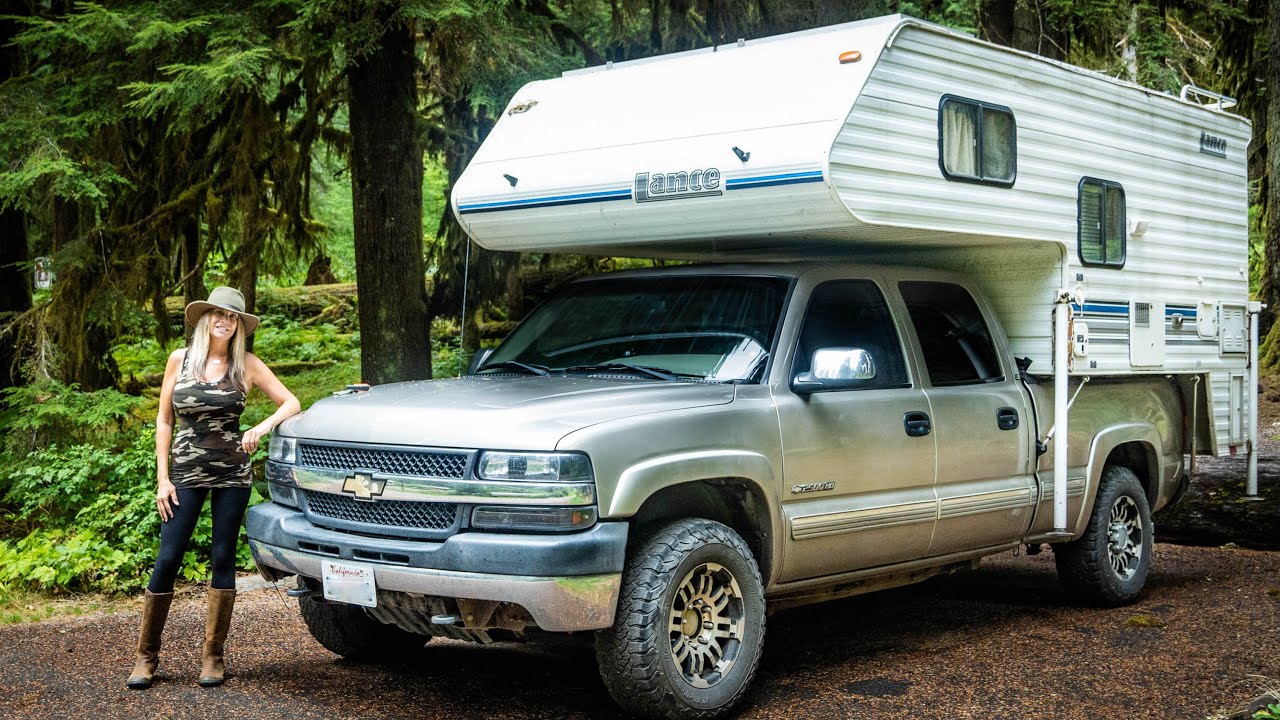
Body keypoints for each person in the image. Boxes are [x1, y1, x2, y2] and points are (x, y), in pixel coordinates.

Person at [126, 286, 300, 690]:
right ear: (206, 319)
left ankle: (213, 658)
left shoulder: (246, 364)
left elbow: (291, 402)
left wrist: (260, 428)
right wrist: (162, 479)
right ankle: (146, 657)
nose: (225, 321)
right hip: (185, 472)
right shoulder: (180, 359)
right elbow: (165, 420)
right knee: (168, 557)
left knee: (222, 557)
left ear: (239, 325)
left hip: (232, 474)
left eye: (233, 316)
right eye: (219, 314)